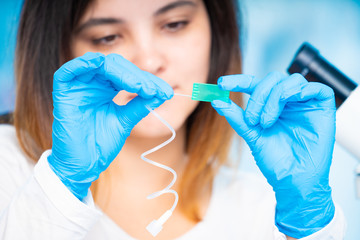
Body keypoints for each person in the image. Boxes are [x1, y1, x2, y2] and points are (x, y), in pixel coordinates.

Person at [0, 0, 345, 239]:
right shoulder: (7, 164)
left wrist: (306, 224)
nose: (149, 61)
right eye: (107, 36)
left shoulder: (261, 209)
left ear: (217, 32)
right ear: (59, 50)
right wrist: (62, 185)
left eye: (175, 24)